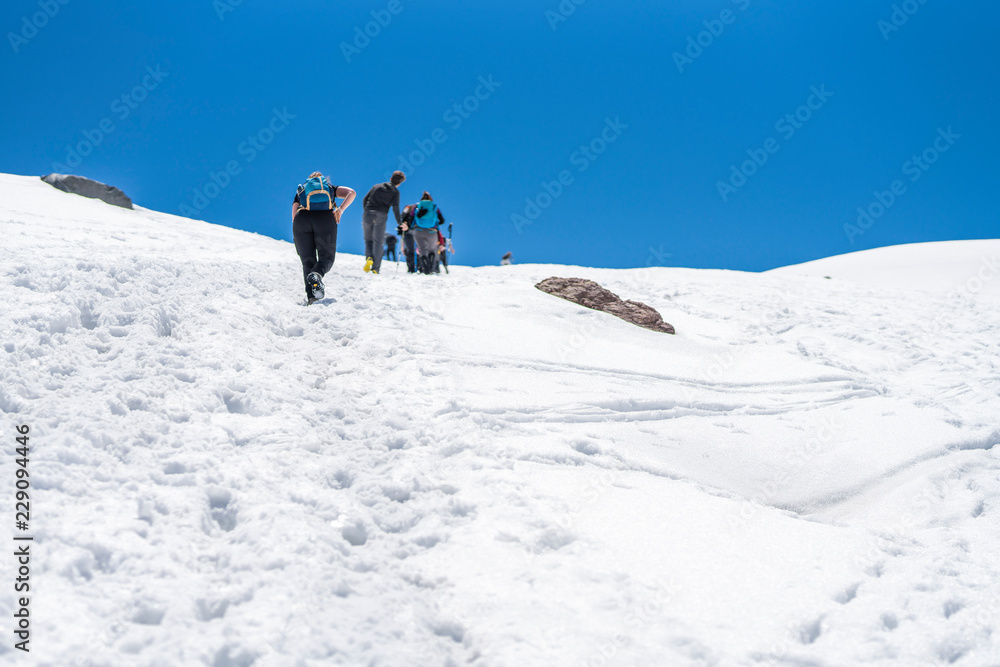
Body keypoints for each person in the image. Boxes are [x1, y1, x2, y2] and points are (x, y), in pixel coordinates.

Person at [292, 172, 356, 303]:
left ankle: (312, 297)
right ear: (323, 181)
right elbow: (352, 193)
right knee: (326, 257)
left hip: (301, 220)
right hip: (325, 219)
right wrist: (340, 210)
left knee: (307, 260)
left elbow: (294, 216)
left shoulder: (302, 190)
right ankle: (316, 275)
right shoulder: (331, 188)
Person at [361, 171, 405, 275]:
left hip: (368, 213)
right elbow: (395, 209)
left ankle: (369, 258)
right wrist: (400, 223)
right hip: (381, 215)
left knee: (368, 240)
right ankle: (376, 268)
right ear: (399, 183)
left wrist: (367, 211)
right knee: (378, 242)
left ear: (390, 178)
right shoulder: (395, 192)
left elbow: (365, 199)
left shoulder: (376, 186)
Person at [404, 191, 445, 275]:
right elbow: (442, 220)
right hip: (431, 231)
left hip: (418, 230)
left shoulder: (416, 206)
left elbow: (411, 218)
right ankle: (430, 269)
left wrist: (412, 227)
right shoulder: (434, 207)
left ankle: (425, 269)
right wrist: (434, 224)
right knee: (432, 250)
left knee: (422, 250)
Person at [399, 204, 417, 273]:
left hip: (407, 232)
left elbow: (402, 218)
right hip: (417, 231)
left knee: (409, 251)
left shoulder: (407, 209)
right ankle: (418, 267)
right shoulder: (418, 210)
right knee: (417, 250)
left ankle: (411, 268)